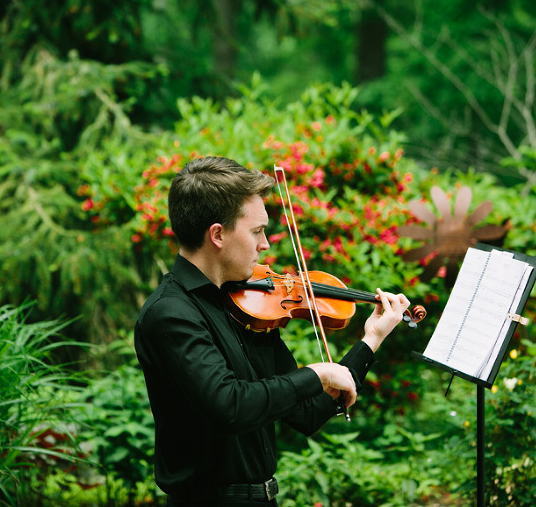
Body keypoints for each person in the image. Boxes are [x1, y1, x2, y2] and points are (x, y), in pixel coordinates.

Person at [134, 156, 410, 506]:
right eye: (257, 231)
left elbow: (308, 412)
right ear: (218, 234)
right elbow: (229, 406)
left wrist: (372, 338)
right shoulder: (171, 315)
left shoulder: (244, 306)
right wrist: (317, 372)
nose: (265, 245)